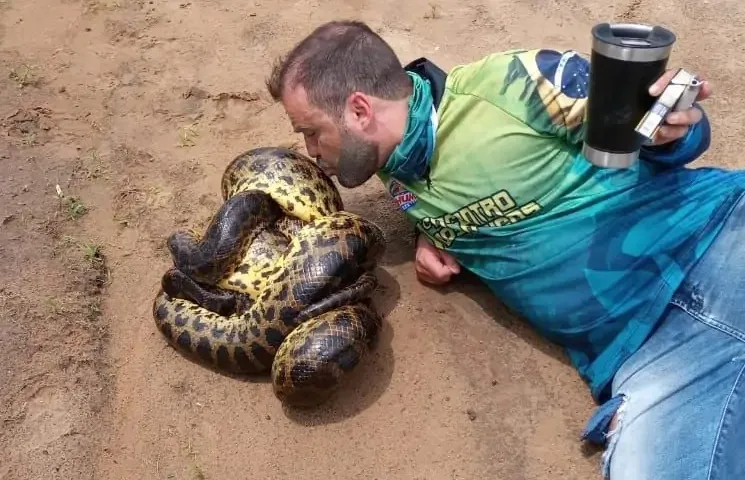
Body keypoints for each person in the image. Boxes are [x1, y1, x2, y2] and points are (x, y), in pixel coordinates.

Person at [265, 20, 745, 479]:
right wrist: (428, 235)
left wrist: (670, 132)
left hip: (717, 244)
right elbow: (456, 185)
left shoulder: (509, 85)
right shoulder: (394, 167)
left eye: (310, 131)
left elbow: (654, 129)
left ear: (360, 111)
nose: (309, 151)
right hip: (646, 358)